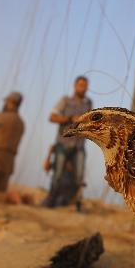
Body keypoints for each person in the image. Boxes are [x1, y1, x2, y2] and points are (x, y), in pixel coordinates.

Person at [43, 76, 93, 208]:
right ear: (75, 86)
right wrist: (70, 118)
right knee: (57, 174)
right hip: (63, 143)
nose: (82, 88)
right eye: (80, 85)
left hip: (79, 145)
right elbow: (52, 117)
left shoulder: (88, 104)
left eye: (85, 85)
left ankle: (74, 203)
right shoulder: (65, 100)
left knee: (79, 176)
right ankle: (50, 201)